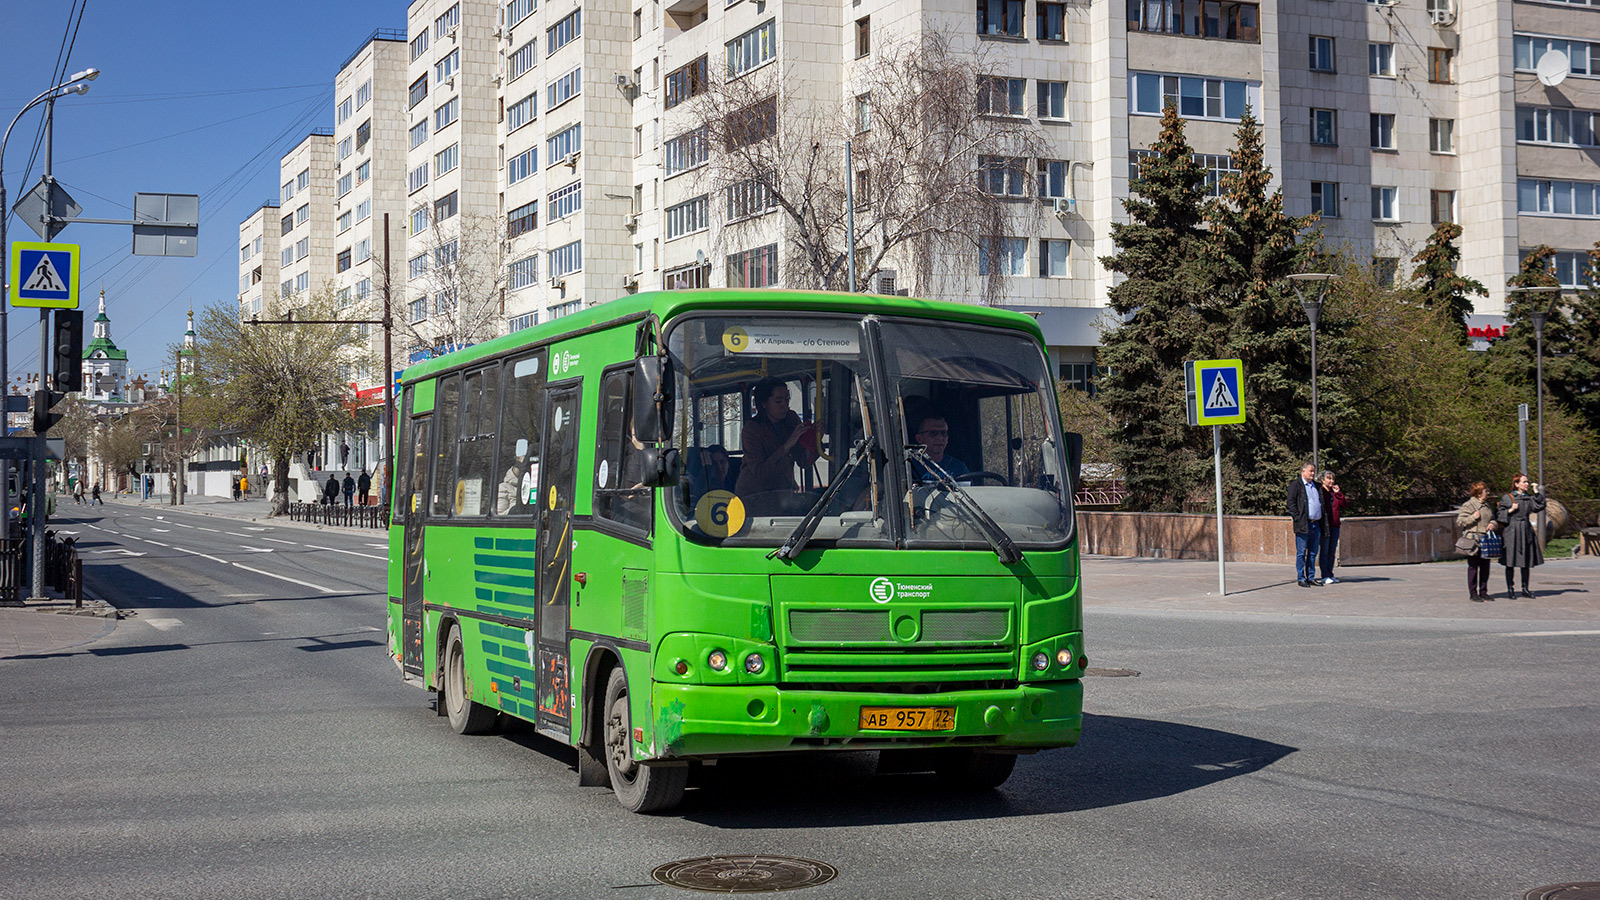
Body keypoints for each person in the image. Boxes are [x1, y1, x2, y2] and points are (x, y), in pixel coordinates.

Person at [734, 377, 818, 512]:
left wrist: (815, 439)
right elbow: (760, 472)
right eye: (778, 401)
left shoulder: (790, 419)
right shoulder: (751, 430)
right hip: (754, 498)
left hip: (784, 495)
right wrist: (787, 445)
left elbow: (803, 461)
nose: (784, 406)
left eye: (786, 400)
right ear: (764, 403)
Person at [1496, 473, 1545, 599]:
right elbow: (1499, 514)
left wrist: (1536, 492)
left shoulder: (1528, 498)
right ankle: (1510, 589)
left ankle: (1525, 589)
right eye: (1524, 482)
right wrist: (1510, 510)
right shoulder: (1508, 498)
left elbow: (1540, 506)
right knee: (1510, 562)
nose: (1527, 484)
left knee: (1526, 562)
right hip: (1512, 531)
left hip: (1526, 530)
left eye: (1527, 482)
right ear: (1517, 484)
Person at [1456, 481, 1496, 602]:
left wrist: (1493, 524)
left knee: (1485, 567)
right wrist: (1473, 517)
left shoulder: (1487, 505)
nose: (1487, 493)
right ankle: (1473, 593)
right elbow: (1460, 521)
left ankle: (1483, 592)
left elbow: (1493, 518)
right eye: (1485, 491)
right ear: (1479, 493)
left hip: (1486, 539)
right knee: (1473, 567)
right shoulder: (1468, 505)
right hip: (1473, 540)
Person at [1285, 462, 1323, 587]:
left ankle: (1311, 577)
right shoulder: (1296, 485)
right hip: (1303, 524)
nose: (1312, 473)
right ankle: (1301, 577)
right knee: (1301, 553)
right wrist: (1297, 518)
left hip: (1315, 524)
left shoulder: (1317, 486)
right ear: (1303, 471)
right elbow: (1291, 503)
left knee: (1313, 553)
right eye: (1310, 471)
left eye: (1314, 471)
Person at [908, 412, 969, 482]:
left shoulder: (959, 467)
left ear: (947, 439)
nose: (940, 437)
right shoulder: (911, 466)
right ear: (919, 438)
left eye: (943, 433)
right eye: (933, 433)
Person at [1319, 471, 1346, 585]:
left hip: (1335, 525)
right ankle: (1324, 575)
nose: (1331, 481)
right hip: (1325, 525)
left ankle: (1330, 574)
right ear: (1323, 480)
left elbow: (1344, 505)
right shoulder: (1320, 491)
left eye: (1332, 479)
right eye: (1328, 479)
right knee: (1324, 551)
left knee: (1331, 552)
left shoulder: (1334, 493)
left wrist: (1338, 493)